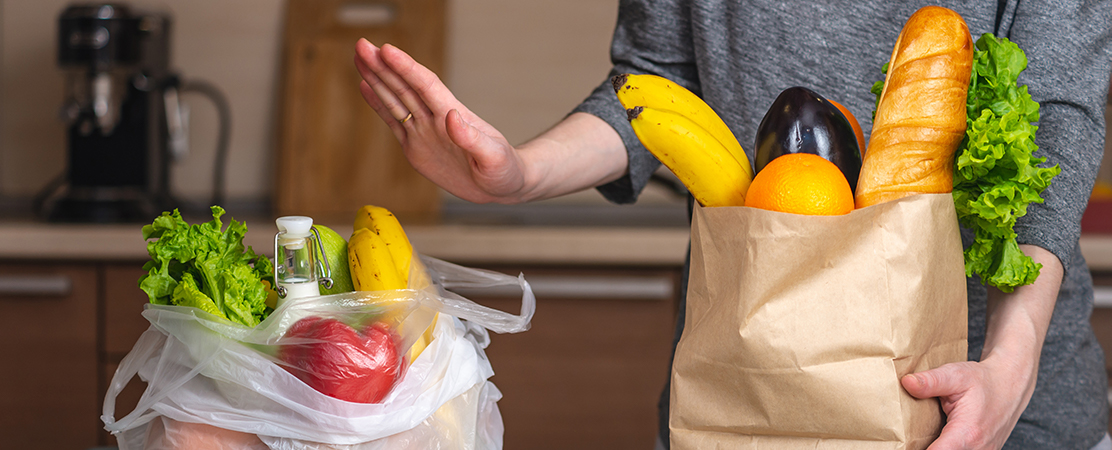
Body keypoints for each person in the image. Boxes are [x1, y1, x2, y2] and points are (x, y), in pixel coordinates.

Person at [352, 0, 1112, 448]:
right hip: (747, 394)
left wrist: (1012, 364)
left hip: (983, 406)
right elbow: (657, 85)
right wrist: (520, 173)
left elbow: (1056, 118)